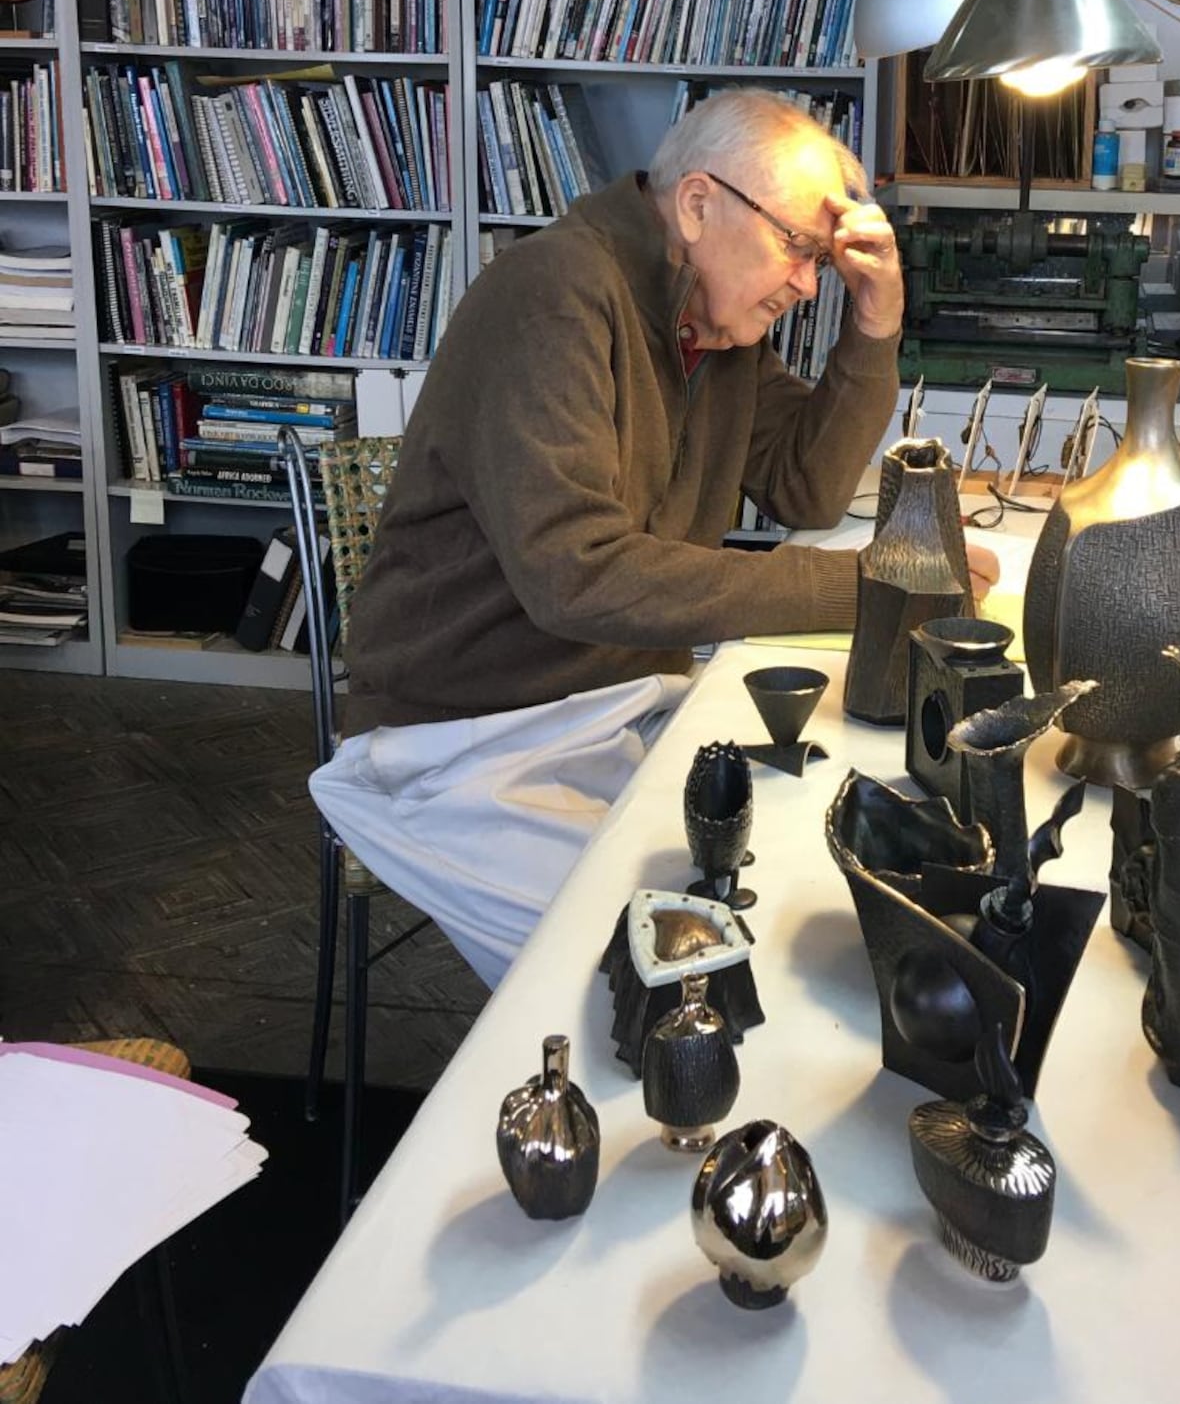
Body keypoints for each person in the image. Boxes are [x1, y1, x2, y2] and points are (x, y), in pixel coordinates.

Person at [311, 89, 998, 984]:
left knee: (791, 874)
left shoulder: (711, 327)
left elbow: (807, 484)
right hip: (458, 742)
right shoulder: (554, 293)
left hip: (612, 704)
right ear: (700, 205)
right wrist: (873, 585)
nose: (804, 283)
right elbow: (579, 576)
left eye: (819, 264)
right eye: (798, 247)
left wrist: (877, 323)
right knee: (665, 975)